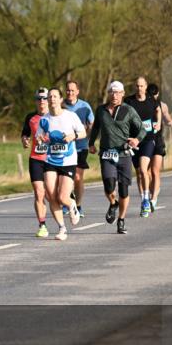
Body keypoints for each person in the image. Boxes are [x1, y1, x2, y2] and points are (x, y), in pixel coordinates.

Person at [88, 81, 146, 235]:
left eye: (117, 92)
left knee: (124, 190)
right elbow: (95, 128)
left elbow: (142, 129)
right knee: (108, 184)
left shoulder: (129, 110)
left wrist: (136, 140)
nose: (114, 95)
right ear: (109, 93)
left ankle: (121, 220)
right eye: (112, 92)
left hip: (124, 154)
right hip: (107, 153)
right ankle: (113, 203)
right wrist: (91, 143)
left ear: (122, 94)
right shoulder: (101, 110)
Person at [35, 88, 87, 241]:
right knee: (51, 196)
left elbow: (83, 133)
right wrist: (41, 139)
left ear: (60, 99)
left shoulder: (70, 116)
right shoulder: (44, 119)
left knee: (63, 197)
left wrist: (73, 136)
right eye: (49, 97)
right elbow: (39, 137)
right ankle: (62, 228)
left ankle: (72, 206)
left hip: (68, 160)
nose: (52, 99)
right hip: (50, 160)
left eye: (55, 96)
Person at [124, 77, 161, 218]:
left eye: (142, 86)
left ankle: (147, 200)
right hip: (134, 142)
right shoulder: (129, 101)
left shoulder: (151, 100)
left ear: (146, 87)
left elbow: (158, 110)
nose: (139, 88)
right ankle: (143, 199)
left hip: (148, 139)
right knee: (139, 172)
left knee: (144, 168)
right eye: (137, 86)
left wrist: (158, 123)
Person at [21, 88, 51, 237]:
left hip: (53, 159)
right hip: (36, 159)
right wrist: (25, 141)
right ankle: (42, 225)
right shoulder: (30, 117)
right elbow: (25, 134)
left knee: (52, 195)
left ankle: (69, 199)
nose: (42, 101)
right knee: (39, 193)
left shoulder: (55, 116)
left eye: (44, 98)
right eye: (39, 99)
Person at [63, 80, 95, 218]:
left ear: (77, 91)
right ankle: (67, 202)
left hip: (81, 146)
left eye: (72, 90)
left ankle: (78, 205)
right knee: (65, 177)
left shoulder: (85, 106)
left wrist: (91, 140)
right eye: (68, 90)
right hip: (64, 148)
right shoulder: (61, 105)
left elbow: (92, 124)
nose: (70, 93)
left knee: (77, 177)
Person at [146, 83, 172, 210]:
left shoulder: (162, 106)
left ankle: (153, 199)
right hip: (145, 141)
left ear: (157, 94)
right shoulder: (143, 104)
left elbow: (168, 118)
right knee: (146, 172)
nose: (152, 97)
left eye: (154, 95)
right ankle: (153, 191)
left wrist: (169, 121)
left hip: (157, 140)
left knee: (154, 171)